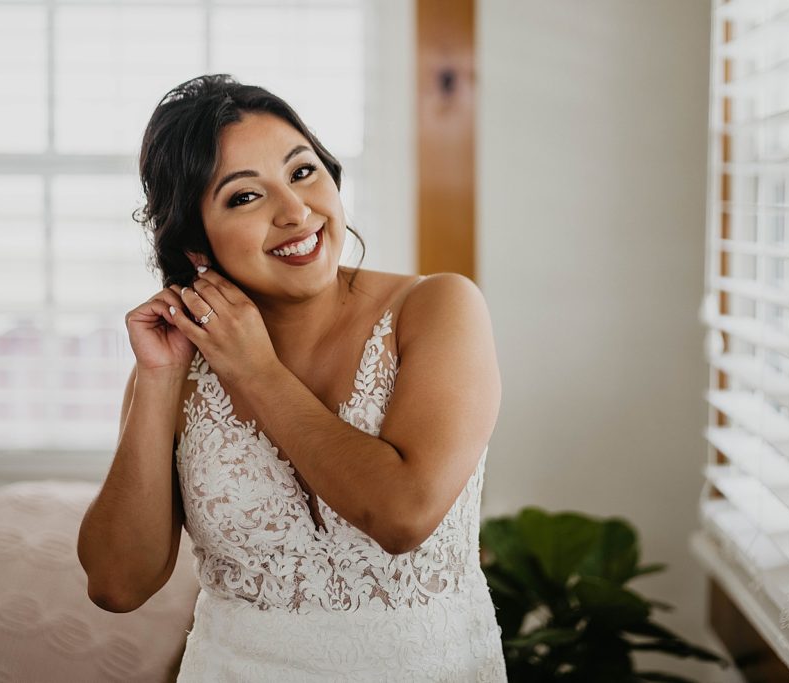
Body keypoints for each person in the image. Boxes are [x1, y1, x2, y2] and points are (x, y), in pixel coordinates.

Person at [76, 74, 507, 681]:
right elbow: (118, 585)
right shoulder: (178, 368)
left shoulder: (437, 308)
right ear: (198, 245)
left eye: (303, 172)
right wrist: (159, 378)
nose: (296, 212)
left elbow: (403, 515)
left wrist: (256, 371)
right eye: (245, 197)